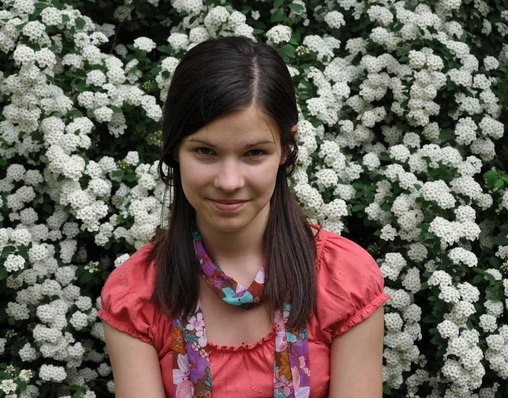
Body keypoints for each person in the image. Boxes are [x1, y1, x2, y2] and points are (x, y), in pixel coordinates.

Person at [98, 36, 390, 397]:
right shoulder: (137, 296)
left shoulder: (345, 281)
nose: (229, 182)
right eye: (205, 151)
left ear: (286, 148)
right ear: (173, 148)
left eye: (254, 153)